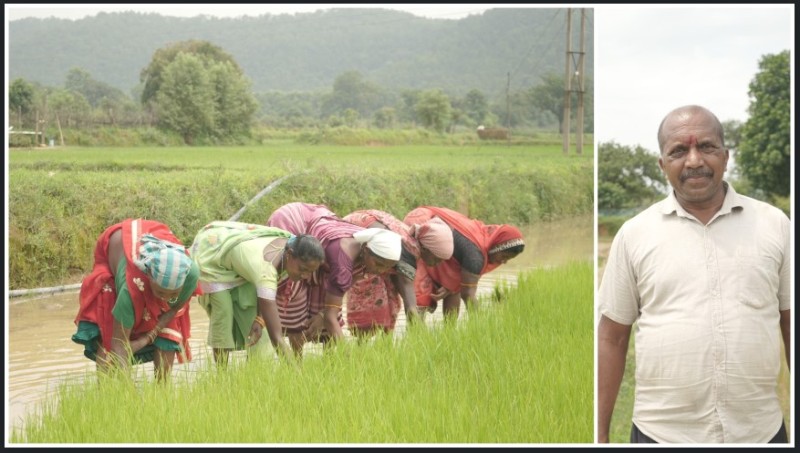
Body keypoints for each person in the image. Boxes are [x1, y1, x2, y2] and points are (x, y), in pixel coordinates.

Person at [596, 105, 791, 444]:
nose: (694, 160)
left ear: (726, 156)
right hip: (661, 434)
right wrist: (599, 434)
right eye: (679, 150)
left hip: (758, 433)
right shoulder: (634, 234)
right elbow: (612, 337)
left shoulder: (775, 225)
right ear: (662, 164)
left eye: (706, 146)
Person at [72, 218, 201, 381]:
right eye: (161, 292)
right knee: (107, 334)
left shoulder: (190, 275)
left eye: (173, 295)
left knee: (169, 333)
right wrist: (130, 395)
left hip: (154, 237)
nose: (166, 298)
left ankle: (162, 391)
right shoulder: (131, 287)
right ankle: (108, 393)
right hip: (115, 247)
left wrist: (145, 339)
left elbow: (173, 310)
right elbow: (119, 344)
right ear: (149, 279)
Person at [266, 202, 402, 355]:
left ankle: (330, 363)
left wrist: (323, 314)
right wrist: (351, 360)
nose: (380, 271)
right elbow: (331, 316)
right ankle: (296, 363)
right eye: (378, 264)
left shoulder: (363, 254)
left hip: (318, 221)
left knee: (330, 306)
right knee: (295, 291)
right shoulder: (342, 261)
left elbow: (336, 298)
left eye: (386, 267)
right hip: (292, 220)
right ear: (366, 250)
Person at [189, 220, 324, 366]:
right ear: (290, 255)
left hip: (240, 256)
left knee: (252, 312)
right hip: (211, 252)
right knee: (224, 312)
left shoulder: (293, 244)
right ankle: (222, 375)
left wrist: (259, 319)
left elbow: (266, 295)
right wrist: (298, 376)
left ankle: (253, 370)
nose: (305, 276)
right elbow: (277, 337)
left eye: (310, 272)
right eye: (303, 269)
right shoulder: (265, 270)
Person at [342, 209, 454, 338]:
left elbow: (402, 285)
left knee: (391, 296)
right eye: (437, 258)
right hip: (355, 237)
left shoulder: (410, 244)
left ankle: (384, 344)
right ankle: (362, 346)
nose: (437, 264)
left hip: (373, 241)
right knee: (372, 298)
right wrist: (422, 339)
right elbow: (410, 304)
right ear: (426, 249)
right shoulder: (409, 249)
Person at [402, 206, 525, 320]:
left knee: (453, 286)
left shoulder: (483, 235)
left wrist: (451, 287)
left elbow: (459, 286)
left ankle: (449, 331)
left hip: (434, 228)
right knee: (422, 293)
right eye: (504, 256)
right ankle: (416, 333)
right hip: (421, 225)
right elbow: (468, 295)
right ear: (497, 246)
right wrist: (483, 326)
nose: (504, 262)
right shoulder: (475, 257)